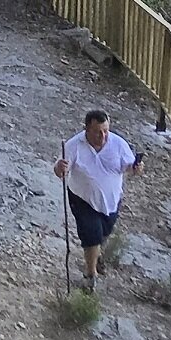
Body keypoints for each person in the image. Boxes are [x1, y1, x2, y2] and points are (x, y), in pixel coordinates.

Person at [54, 108, 142, 286]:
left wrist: (136, 168)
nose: (102, 136)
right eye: (97, 132)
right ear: (86, 130)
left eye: (105, 131)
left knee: (103, 232)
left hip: (111, 201)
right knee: (91, 234)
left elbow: (129, 166)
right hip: (82, 198)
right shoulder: (74, 145)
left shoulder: (118, 144)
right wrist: (60, 168)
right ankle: (90, 275)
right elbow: (60, 170)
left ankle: (97, 255)